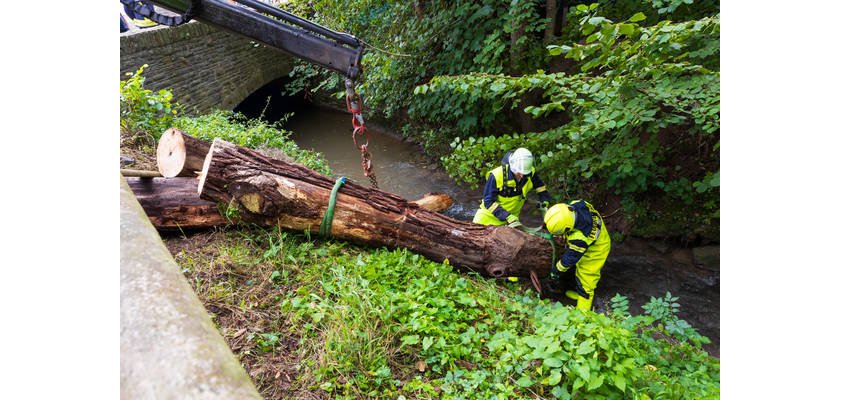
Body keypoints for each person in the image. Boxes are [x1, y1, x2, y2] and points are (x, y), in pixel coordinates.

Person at [540, 200, 611, 311]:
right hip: (596, 238)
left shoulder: (580, 238)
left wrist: (555, 272)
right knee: (578, 269)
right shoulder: (576, 205)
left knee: (586, 280)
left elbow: (569, 260)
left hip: (596, 251)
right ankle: (579, 295)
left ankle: (582, 312)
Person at [472, 148, 552, 228]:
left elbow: (540, 187)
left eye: (525, 173)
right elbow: (488, 202)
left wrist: (544, 199)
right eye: (519, 172)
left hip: (510, 223)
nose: (522, 176)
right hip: (486, 221)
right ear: (513, 166)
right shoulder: (496, 176)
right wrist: (507, 216)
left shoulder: (530, 173)